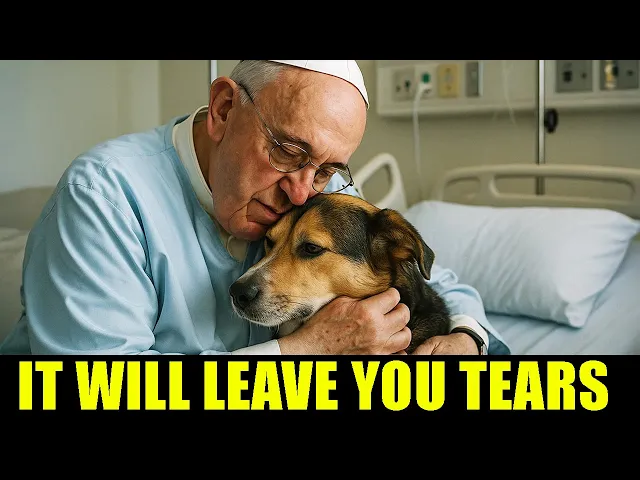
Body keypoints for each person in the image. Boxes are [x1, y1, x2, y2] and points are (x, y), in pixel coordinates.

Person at [0, 60, 510, 356]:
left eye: (328, 168)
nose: (303, 192)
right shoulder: (104, 197)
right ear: (224, 110)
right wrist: (304, 351)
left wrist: (465, 338)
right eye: (288, 151)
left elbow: (434, 280)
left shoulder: (319, 193)